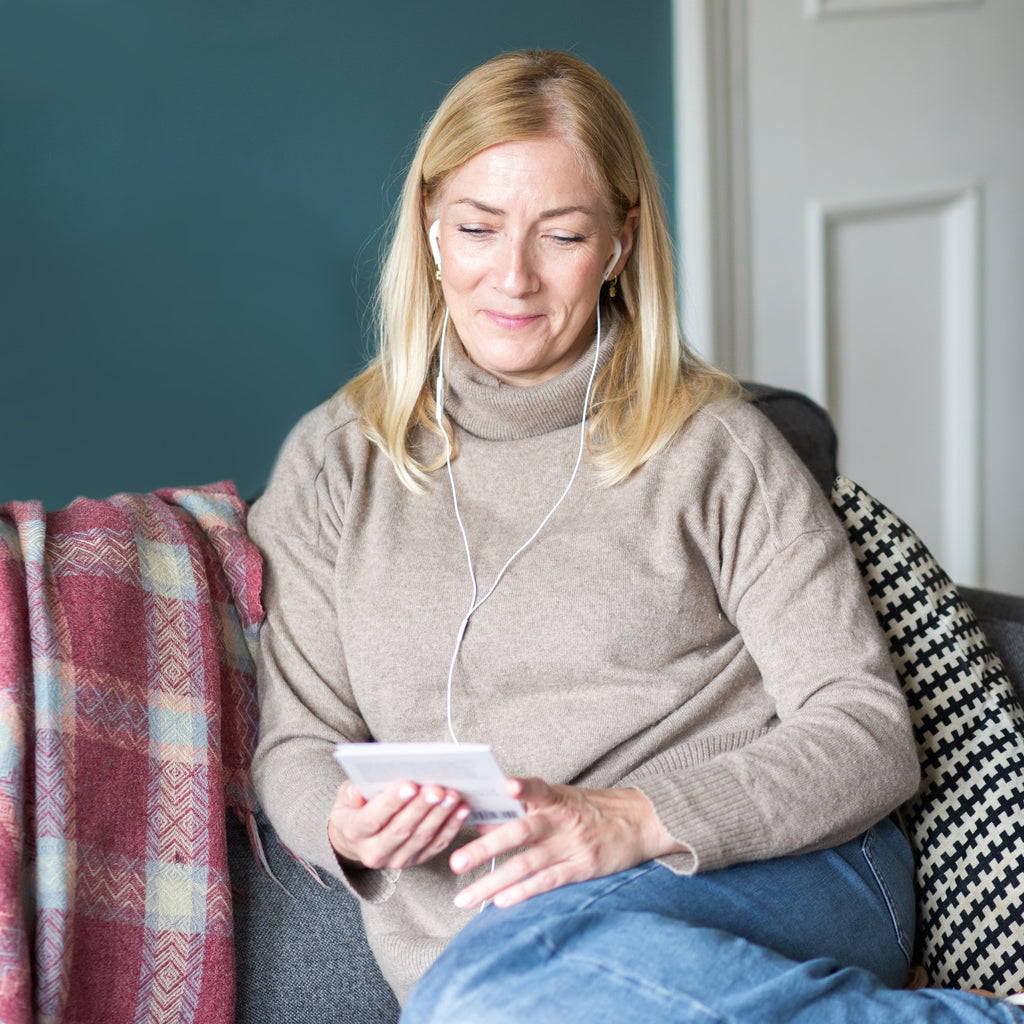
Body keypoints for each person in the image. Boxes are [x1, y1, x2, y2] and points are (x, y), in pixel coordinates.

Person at [248, 49, 1023, 1024]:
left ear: (620, 243)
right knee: (500, 991)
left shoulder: (713, 445)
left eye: (561, 235)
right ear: (430, 231)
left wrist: (627, 822)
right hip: (499, 947)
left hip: (773, 867)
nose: (513, 277)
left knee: (487, 999)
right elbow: (294, 741)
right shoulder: (338, 463)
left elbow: (866, 733)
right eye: (477, 228)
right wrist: (343, 820)